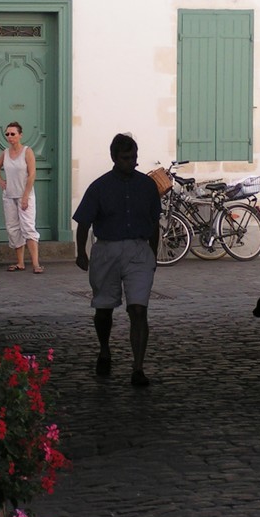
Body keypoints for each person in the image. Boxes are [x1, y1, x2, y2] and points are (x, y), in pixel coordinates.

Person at [73, 133, 161, 386]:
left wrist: (153, 254)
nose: (131, 162)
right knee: (103, 309)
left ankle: (138, 367)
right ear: (114, 157)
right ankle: (104, 349)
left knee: (138, 309)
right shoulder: (99, 187)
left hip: (138, 250)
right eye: (125, 158)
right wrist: (81, 252)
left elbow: (154, 222)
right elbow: (84, 222)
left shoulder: (147, 186)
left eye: (134, 157)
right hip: (107, 250)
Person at [0, 121, 42, 273]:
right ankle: (20, 262)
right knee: (13, 228)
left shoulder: (27, 152)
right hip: (9, 195)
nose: (10, 136)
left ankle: (36, 264)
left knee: (28, 227)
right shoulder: (5, 153)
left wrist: (26, 196)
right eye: (7, 134)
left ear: (20, 135)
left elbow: (32, 174)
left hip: (24, 195)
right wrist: (0, 180)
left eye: (13, 134)